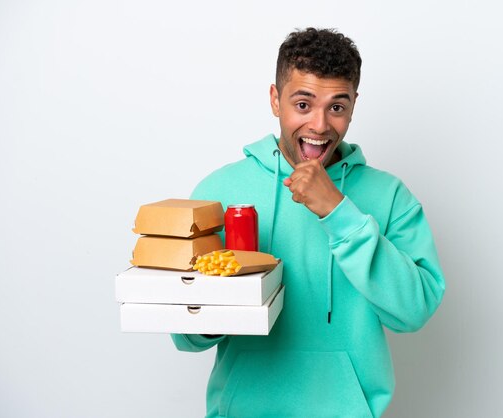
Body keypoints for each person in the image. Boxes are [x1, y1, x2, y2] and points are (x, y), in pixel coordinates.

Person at [172, 27, 445, 418]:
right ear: (274, 100)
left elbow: (415, 311)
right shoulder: (220, 191)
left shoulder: (389, 196)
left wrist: (339, 212)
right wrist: (218, 308)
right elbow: (184, 333)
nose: (319, 126)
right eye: (303, 105)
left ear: (353, 106)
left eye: (337, 106)